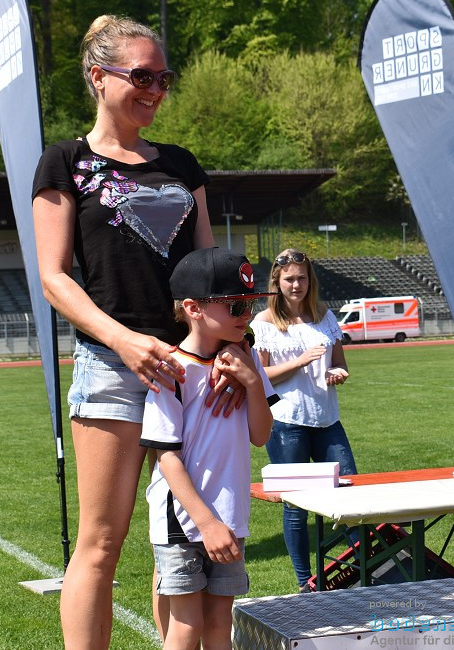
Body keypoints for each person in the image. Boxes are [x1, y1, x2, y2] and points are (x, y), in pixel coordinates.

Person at [32, 15, 237, 649]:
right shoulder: (64, 161)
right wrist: (123, 340)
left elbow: (210, 273)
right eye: (141, 76)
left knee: (181, 536)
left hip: (190, 369)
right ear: (99, 77)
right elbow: (54, 278)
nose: (155, 89)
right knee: (100, 542)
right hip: (112, 366)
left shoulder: (181, 165)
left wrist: (231, 348)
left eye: (163, 78)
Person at [140, 248, 274, 650]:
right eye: (235, 305)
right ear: (193, 308)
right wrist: (207, 524)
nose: (245, 316)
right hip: (183, 520)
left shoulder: (245, 365)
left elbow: (261, 435)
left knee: (219, 626)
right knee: (185, 627)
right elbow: (166, 457)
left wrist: (251, 382)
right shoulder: (171, 372)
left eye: (250, 305)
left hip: (231, 517)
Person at [250, 249, 357, 591]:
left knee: (351, 494)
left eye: (301, 278)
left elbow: (339, 363)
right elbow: (260, 377)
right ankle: (305, 583)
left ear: (310, 280)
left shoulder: (324, 316)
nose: (296, 285)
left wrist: (337, 373)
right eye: (289, 279)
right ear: (277, 283)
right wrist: (299, 361)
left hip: (327, 420)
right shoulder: (264, 322)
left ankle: (368, 568)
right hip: (286, 423)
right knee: (296, 506)